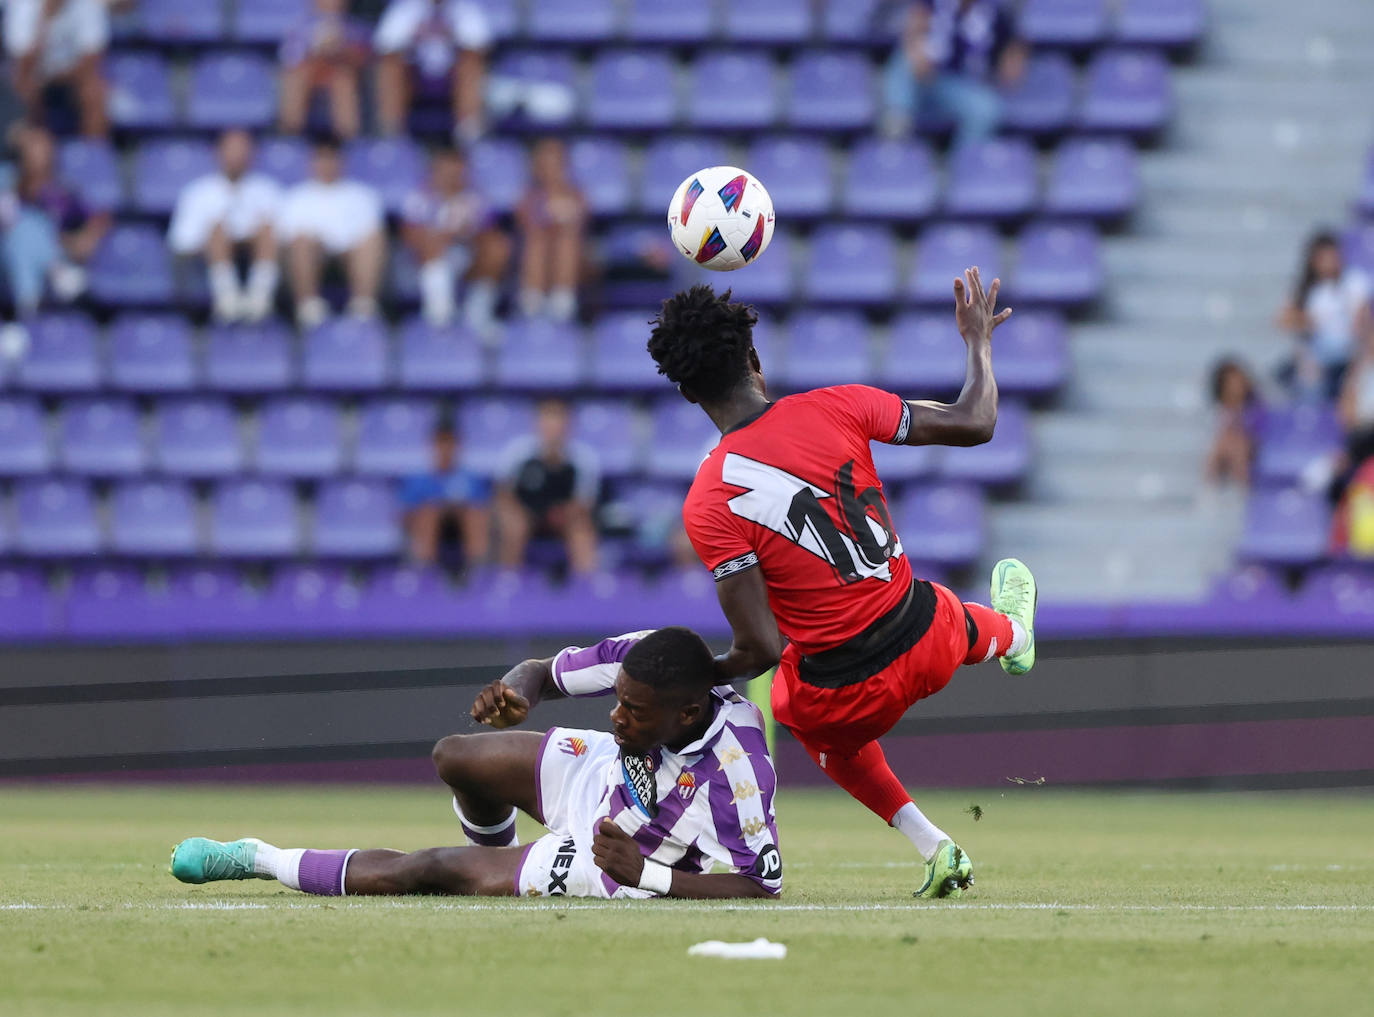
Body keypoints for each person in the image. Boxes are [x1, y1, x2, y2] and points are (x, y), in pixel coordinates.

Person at [646, 268, 1037, 899]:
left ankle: (935, 844)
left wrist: (688, 674)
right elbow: (975, 421)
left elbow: (760, 651)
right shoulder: (842, 404)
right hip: (929, 636)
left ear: (689, 394)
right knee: (944, 610)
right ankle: (1012, 634)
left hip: (845, 698)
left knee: (787, 702)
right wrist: (977, 343)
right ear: (754, 358)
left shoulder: (708, 500)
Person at [170, 627, 781, 901]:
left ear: (688, 713)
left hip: (621, 855)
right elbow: (543, 673)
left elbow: (760, 885)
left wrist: (644, 875)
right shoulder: (647, 657)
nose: (617, 715)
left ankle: (256, 857)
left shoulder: (738, 769)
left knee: (429, 867)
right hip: (604, 775)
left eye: (635, 711)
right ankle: (496, 866)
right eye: (617, 700)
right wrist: (516, 693)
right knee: (456, 756)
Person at [167, 130, 282, 323]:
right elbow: (181, 241)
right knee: (217, 230)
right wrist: (219, 237)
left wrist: (246, 239)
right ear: (218, 152)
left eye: (242, 149)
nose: (237, 155)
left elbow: (284, 237)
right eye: (231, 149)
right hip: (204, 262)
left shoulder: (268, 190)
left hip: (258, 256)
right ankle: (227, 298)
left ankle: (260, 297)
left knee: (266, 229)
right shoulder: (198, 192)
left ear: (252, 154)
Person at [881, 0, 1026, 148]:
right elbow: (913, 29)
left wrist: (1010, 65)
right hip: (923, 75)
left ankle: (965, 160)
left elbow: (1014, 45)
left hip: (960, 86)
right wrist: (916, 51)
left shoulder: (993, 13)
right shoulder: (933, 3)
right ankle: (896, 125)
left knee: (987, 109)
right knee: (903, 62)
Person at [1, 124, 109, 319]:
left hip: (46, 253)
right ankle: (56, 271)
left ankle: (25, 307)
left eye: (43, 147)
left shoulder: (60, 192)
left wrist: (76, 241)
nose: (38, 154)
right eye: (33, 147)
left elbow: (98, 219)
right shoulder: (5, 178)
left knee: (32, 233)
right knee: (24, 229)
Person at [276, 139, 386, 327]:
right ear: (312, 162)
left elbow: (369, 232)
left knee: (372, 240)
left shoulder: (362, 195)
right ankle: (308, 306)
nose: (326, 165)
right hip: (312, 256)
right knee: (301, 244)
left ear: (342, 162)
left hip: (350, 255)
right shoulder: (295, 197)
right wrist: (318, 244)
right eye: (321, 159)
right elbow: (287, 239)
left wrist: (342, 246)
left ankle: (363, 305)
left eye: (331, 159)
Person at [400, 148, 509, 334]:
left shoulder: (475, 198)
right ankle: (439, 315)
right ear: (436, 170)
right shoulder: (420, 197)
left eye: (457, 170)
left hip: (464, 257)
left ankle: (477, 313)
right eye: (446, 170)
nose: (452, 176)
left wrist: (467, 233)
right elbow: (410, 237)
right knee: (431, 242)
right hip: (421, 265)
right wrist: (445, 235)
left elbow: (490, 234)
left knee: (497, 247)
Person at [495, 398, 600, 576]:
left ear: (568, 423)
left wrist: (564, 513)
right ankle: (507, 580)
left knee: (582, 529)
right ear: (537, 422)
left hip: (563, 516)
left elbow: (584, 502)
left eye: (558, 419)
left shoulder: (583, 458)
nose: (553, 425)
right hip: (525, 512)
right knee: (513, 523)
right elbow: (503, 494)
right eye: (547, 418)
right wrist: (523, 512)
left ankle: (587, 583)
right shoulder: (517, 452)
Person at [374, 0, 491, 144]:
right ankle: (392, 133)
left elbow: (478, 46)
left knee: (470, 64)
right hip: (415, 74)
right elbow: (386, 46)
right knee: (390, 66)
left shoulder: (465, 7)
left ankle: (468, 131)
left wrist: (449, 36)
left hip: (452, 74)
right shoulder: (405, 7)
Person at [1276, 232, 1372, 400]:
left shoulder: (1355, 281)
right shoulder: (1307, 291)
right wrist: (1304, 321)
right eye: (1323, 257)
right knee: (1307, 377)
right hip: (1319, 357)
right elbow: (1284, 320)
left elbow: (1361, 323)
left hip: (1350, 353)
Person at [5, 0, 109, 138]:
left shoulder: (88, 5)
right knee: (24, 87)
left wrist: (56, 76)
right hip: (37, 77)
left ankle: (91, 154)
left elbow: (91, 61)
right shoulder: (22, 6)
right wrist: (44, 21)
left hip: (73, 78)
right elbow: (24, 65)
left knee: (95, 92)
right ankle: (36, 147)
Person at [399, 421, 491, 567]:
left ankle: (478, 572)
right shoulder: (418, 479)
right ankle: (425, 570)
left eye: (450, 443)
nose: (446, 448)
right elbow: (406, 515)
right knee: (428, 515)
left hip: (463, 526)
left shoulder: (472, 478)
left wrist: (457, 508)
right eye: (441, 443)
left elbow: (484, 511)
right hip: (429, 525)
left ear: (458, 446)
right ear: (432, 445)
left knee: (474, 516)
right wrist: (435, 507)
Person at [515, 138, 586, 323]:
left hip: (577, 259)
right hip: (536, 254)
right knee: (537, 241)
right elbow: (526, 222)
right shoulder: (528, 196)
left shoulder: (576, 194)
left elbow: (578, 223)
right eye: (545, 165)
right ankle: (533, 301)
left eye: (555, 164)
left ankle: (562, 303)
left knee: (566, 241)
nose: (550, 170)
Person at [278, 0, 371, 141]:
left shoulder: (355, 27)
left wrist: (341, 50)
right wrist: (316, 50)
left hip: (340, 73)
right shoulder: (298, 27)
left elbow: (366, 58)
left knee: (343, 79)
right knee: (297, 77)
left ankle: (349, 141)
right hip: (309, 74)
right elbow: (290, 60)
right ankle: (289, 135)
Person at [1204, 358, 1263, 489]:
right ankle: (1211, 486)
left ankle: (1246, 487)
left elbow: (1260, 430)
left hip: (1253, 448)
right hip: (1228, 449)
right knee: (1226, 442)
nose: (1236, 385)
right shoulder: (1220, 411)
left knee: (1237, 444)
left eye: (1238, 380)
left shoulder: (1256, 408)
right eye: (1231, 382)